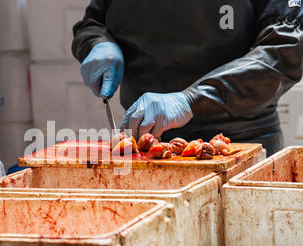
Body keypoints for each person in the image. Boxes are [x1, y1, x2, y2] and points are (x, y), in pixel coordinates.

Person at [72, 0, 303, 156]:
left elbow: (286, 48)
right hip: (146, 144)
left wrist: (192, 100)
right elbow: (93, 22)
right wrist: (98, 43)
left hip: (241, 143)